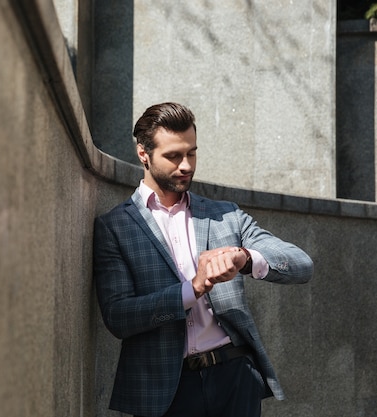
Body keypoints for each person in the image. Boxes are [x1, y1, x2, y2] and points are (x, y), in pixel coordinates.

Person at [93, 102, 313, 417]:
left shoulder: (225, 215)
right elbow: (119, 316)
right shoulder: (115, 227)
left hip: (235, 377)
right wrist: (192, 289)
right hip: (164, 391)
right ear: (143, 153)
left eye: (191, 153)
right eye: (173, 156)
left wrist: (245, 257)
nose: (186, 165)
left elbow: (300, 264)